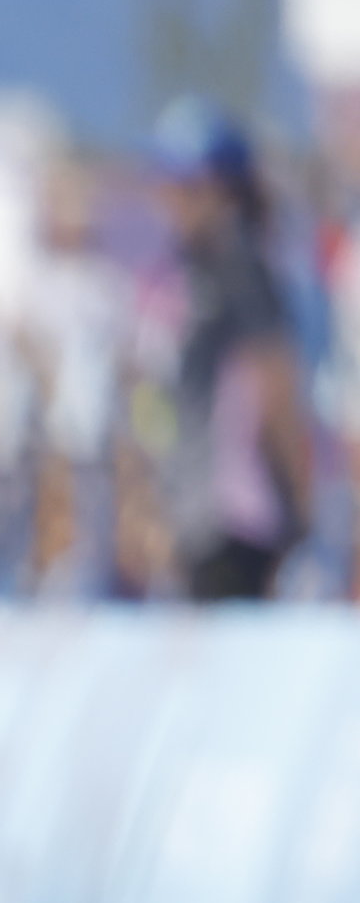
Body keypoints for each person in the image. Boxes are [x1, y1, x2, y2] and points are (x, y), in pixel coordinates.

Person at [150, 100, 311, 605]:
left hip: (240, 514)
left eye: (181, 184)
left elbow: (275, 379)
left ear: (218, 188)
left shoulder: (238, 263)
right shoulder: (200, 263)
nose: (167, 198)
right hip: (203, 514)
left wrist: (303, 501)